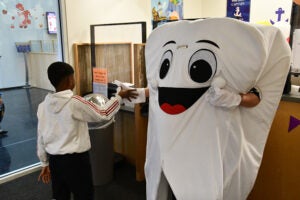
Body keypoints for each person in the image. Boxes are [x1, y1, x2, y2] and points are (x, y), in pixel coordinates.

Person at [37, 61, 137, 200]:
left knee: (60, 195)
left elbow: (41, 136)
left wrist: (44, 162)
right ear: (70, 80)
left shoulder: (43, 106)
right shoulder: (75, 102)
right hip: (76, 162)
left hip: (55, 161)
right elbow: (104, 113)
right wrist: (119, 97)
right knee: (84, 195)